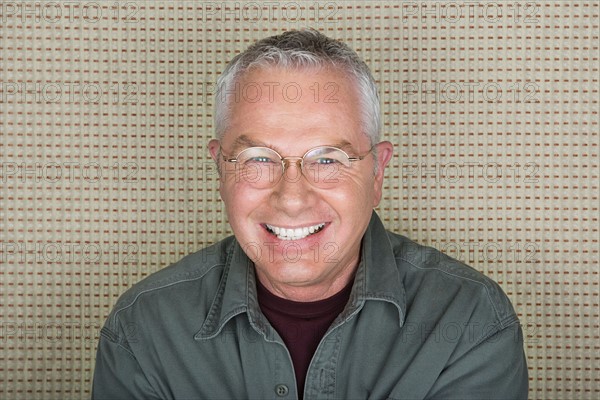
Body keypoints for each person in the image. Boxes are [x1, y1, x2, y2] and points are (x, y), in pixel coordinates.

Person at [92, 29, 528, 399]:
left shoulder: (469, 321)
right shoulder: (144, 328)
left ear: (377, 173)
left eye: (328, 159)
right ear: (220, 171)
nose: (293, 198)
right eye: (259, 158)